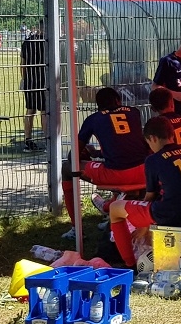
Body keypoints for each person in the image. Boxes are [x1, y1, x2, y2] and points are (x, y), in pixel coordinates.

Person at [60, 88, 149, 240]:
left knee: (67, 168)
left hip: (118, 174)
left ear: (98, 106)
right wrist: (99, 153)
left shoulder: (94, 119)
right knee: (113, 162)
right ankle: (108, 208)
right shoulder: (134, 112)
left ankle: (76, 228)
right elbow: (126, 145)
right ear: (118, 101)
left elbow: (73, 155)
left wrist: (87, 153)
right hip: (144, 171)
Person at [107, 116, 181, 267]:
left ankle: (130, 264)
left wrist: (143, 225)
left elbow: (150, 196)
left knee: (115, 208)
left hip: (171, 213)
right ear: (172, 134)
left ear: (153, 138)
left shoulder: (153, 160)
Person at [20, 24, 48, 153]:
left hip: (30, 80)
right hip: (44, 80)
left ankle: (28, 140)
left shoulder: (27, 42)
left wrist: (24, 79)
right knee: (44, 111)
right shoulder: (47, 42)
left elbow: (23, 64)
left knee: (30, 110)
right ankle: (48, 141)